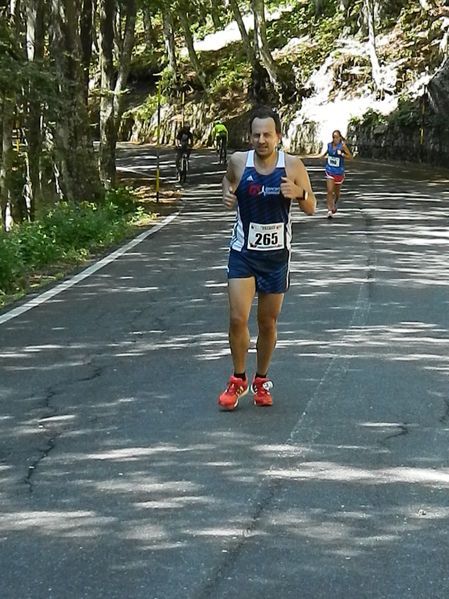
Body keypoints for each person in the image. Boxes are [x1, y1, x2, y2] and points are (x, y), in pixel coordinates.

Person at [218, 106, 316, 411]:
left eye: (267, 135)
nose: (262, 140)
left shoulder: (293, 166)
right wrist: (226, 194)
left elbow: (312, 206)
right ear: (250, 137)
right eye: (256, 135)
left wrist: (298, 193)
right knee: (237, 318)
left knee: (267, 323)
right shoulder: (238, 161)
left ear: (278, 137)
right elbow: (227, 181)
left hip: (276, 258)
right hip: (243, 253)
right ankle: (238, 380)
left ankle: (261, 380)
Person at [319, 129, 353, 219]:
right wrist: (322, 156)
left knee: (337, 193)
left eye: (337, 137)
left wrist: (342, 154)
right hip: (330, 170)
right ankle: (329, 210)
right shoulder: (329, 145)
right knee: (329, 190)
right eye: (333, 137)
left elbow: (350, 157)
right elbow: (328, 151)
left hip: (339, 172)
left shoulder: (342, 146)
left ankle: (335, 202)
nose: (335, 139)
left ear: (340, 138)